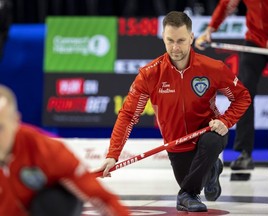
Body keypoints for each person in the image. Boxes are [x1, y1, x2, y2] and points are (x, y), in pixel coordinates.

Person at [95, 11, 251, 212]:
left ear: (192, 38)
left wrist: (226, 121)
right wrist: (113, 155)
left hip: (206, 133)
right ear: (163, 38)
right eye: (170, 41)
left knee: (211, 144)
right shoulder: (149, 74)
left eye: (181, 41)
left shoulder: (213, 68)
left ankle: (186, 194)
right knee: (189, 177)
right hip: (176, 145)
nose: (175, 48)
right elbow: (128, 115)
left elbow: (242, 96)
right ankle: (212, 169)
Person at [0, 84, 130, 216]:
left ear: (15, 122)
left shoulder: (45, 150)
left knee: (55, 202)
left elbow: (100, 196)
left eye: (0, 128)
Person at [195, 0, 268, 176]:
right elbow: (226, 5)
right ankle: (244, 154)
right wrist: (209, 31)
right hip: (254, 41)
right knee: (243, 96)